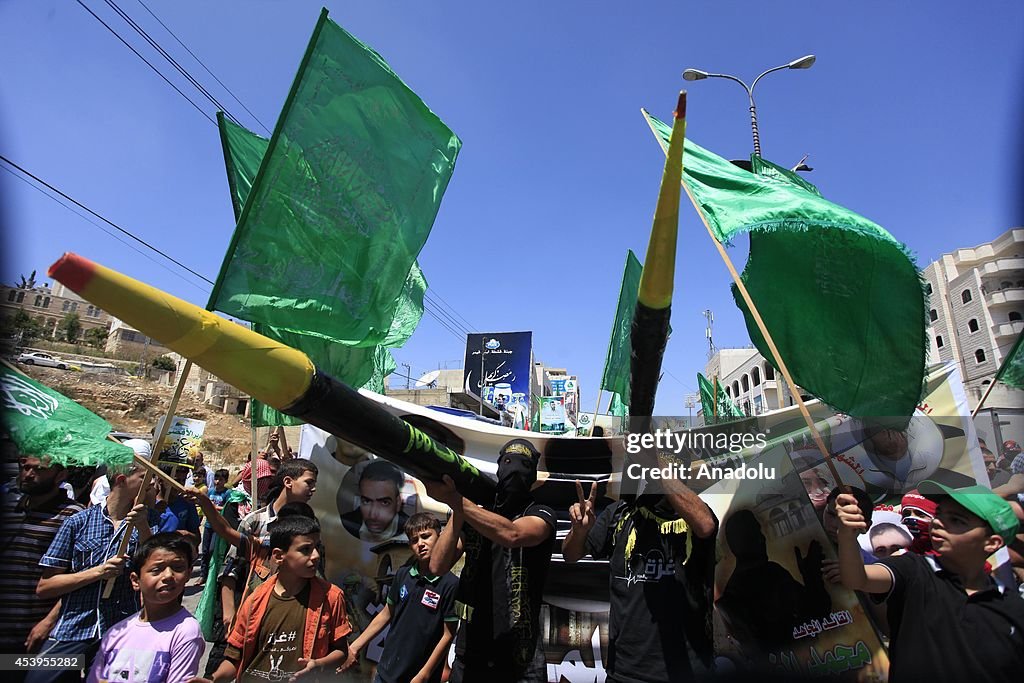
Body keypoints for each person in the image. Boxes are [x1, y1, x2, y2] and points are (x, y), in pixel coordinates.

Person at [836, 480, 1024, 682]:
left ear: (992, 542)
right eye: (939, 513)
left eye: (957, 520)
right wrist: (846, 535)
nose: (938, 522)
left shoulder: (1013, 609)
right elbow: (857, 578)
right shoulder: (913, 569)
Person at [563, 466, 718, 683]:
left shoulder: (697, 518)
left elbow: (706, 526)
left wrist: (655, 465)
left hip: (689, 672)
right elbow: (570, 554)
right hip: (625, 673)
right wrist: (578, 532)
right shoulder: (620, 515)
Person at [424, 438, 557, 683]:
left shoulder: (541, 512)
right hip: (472, 649)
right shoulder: (477, 513)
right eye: (507, 462)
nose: (514, 471)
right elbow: (437, 565)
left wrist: (456, 500)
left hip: (520, 656)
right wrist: (460, 509)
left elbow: (512, 534)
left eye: (524, 465)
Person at [29, 460, 156, 683]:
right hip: (74, 630)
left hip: (121, 632)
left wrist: (144, 528)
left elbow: (154, 568)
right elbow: (46, 586)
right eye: (145, 477)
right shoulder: (78, 523)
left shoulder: (147, 525)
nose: (152, 482)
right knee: (39, 677)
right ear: (121, 480)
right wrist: (98, 572)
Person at [199, 515, 351, 682]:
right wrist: (214, 680)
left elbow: (341, 651)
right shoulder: (255, 600)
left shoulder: (331, 597)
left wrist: (318, 664)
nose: (315, 555)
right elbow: (235, 658)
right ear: (279, 556)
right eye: (305, 549)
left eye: (317, 547)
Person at [193, 459, 319, 636]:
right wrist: (229, 614)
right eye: (309, 482)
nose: (313, 489)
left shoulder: (312, 524)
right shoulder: (255, 521)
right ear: (288, 482)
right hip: (252, 618)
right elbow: (231, 568)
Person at [340, 513, 458, 683]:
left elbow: (448, 635)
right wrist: (355, 646)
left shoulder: (450, 583)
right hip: (387, 671)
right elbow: (386, 614)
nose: (421, 544)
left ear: (440, 537)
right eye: (414, 540)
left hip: (419, 676)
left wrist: (424, 674)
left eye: (426, 536)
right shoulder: (403, 574)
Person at [87, 533, 205, 683]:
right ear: (136, 580)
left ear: (188, 574)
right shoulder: (116, 632)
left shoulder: (186, 632)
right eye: (156, 570)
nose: (168, 575)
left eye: (178, 568)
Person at [0, 454, 84, 654]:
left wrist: (48, 622)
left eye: (39, 470)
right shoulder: (9, 507)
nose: (28, 474)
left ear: (60, 475)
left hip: (34, 635)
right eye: (25, 467)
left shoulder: (73, 516)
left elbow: (79, 579)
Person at [340, 459, 409, 543]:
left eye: (384, 503)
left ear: (398, 503)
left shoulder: (412, 530)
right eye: (366, 501)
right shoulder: (344, 523)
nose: (373, 515)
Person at [199, 469, 231, 586]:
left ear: (225, 481)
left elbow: (227, 509)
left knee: (213, 549)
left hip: (218, 525)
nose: (217, 482)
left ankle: (214, 574)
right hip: (208, 524)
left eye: (220, 480)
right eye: (216, 479)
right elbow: (204, 505)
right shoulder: (211, 491)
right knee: (205, 550)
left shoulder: (227, 493)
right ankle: (203, 574)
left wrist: (214, 507)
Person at [157, 461, 201, 538]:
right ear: (160, 480)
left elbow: (196, 537)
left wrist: (186, 535)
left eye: (183, 481)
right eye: (176, 481)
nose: (180, 485)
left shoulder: (187, 503)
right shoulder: (150, 503)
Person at [899, 489, 938, 555]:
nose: (911, 519)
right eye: (907, 514)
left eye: (920, 514)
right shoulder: (902, 555)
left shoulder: (956, 554)